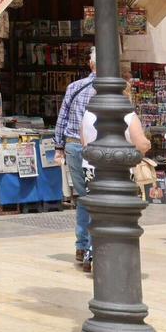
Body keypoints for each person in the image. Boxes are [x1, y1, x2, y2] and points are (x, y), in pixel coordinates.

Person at [77, 93, 154, 270]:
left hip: (91, 166)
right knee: (117, 212)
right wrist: (146, 144)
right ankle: (103, 252)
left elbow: (83, 142)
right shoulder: (128, 116)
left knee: (95, 209)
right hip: (121, 169)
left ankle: (89, 251)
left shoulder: (89, 114)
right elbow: (141, 144)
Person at [53, 50, 96, 271]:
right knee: (97, 197)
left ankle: (81, 245)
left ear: (90, 63)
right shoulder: (114, 89)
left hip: (73, 145)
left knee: (82, 196)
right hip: (98, 148)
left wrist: (58, 147)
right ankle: (89, 249)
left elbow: (62, 118)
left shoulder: (74, 87)